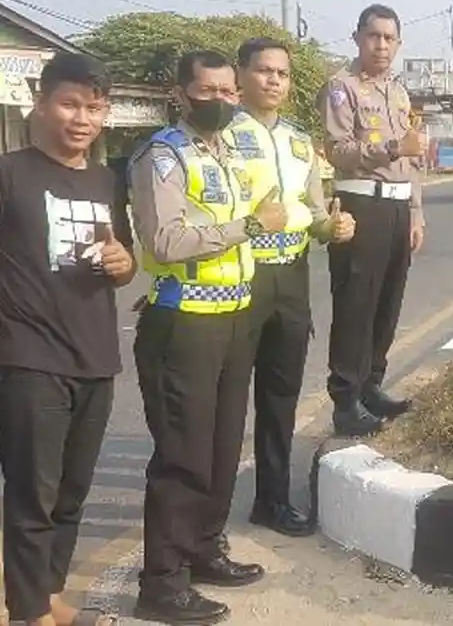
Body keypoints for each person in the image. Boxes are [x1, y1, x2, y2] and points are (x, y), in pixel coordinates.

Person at [129, 50, 287, 625]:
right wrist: (248, 226)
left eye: (227, 92)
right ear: (180, 93)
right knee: (183, 454)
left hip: (231, 317)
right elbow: (166, 242)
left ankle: (203, 548)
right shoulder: (162, 156)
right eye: (207, 91)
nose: (220, 100)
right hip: (183, 324)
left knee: (222, 446)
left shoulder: (223, 155)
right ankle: (162, 582)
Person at [0, 52, 136, 626]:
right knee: (33, 493)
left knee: (71, 492)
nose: (83, 118)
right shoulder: (9, 174)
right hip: (28, 355)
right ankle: (30, 612)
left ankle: (45, 590)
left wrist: (122, 261)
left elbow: (125, 265)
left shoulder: (108, 180)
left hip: (96, 354)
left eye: (95, 107)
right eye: (70, 103)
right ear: (41, 102)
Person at [223, 38, 357, 537]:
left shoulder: (301, 141)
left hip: (291, 277)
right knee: (229, 400)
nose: (274, 80)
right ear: (241, 75)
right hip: (239, 276)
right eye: (263, 71)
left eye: (281, 73)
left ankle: (271, 499)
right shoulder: (221, 137)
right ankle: (205, 515)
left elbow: (317, 213)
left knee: (281, 397)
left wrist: (333, 228)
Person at [319, 4, 426, 437]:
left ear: (398, 43)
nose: (381, 45)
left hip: (399, 207)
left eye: (389, 38)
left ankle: (371, 385)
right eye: (373, 36)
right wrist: (392, 149)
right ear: (358, 38)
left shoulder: (398, 92)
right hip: (361, 205)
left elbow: (415, 159)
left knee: (387, 302)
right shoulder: (341, 89)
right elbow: (337, 150)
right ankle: (345, 400)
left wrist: (416, 210)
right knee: (355, 306)